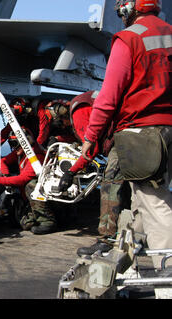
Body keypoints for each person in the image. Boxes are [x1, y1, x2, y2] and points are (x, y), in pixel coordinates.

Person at [80, 0, 172, 270]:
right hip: (168, 132)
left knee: (155, 206)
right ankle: (123, 261)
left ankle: (167, 278)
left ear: (132, 8)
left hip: (141, 134)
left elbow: (108, 96)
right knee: (142, 201)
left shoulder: (128, 38)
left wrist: (90, 136)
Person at [58, 90, 132, 255]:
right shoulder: (85, 101)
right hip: (141, 132)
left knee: (110, 183)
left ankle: (107, 239)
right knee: (132, 186)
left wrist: (71, 172)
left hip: (123, 137)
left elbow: (91, 149)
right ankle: (133, 231)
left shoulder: (78, 111)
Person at [0, 129, 57, 234]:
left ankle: (47, 221)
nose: (13, 147)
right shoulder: (20, 153)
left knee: (31, 185)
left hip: (48, 199)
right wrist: (6, 174)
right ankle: (35, 215)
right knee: (25, 224)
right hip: (30, 199)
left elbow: (22, 179)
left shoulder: (36, 156)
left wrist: (0, 180)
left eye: (15, 143)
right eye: (11, 144)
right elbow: (3, 161)